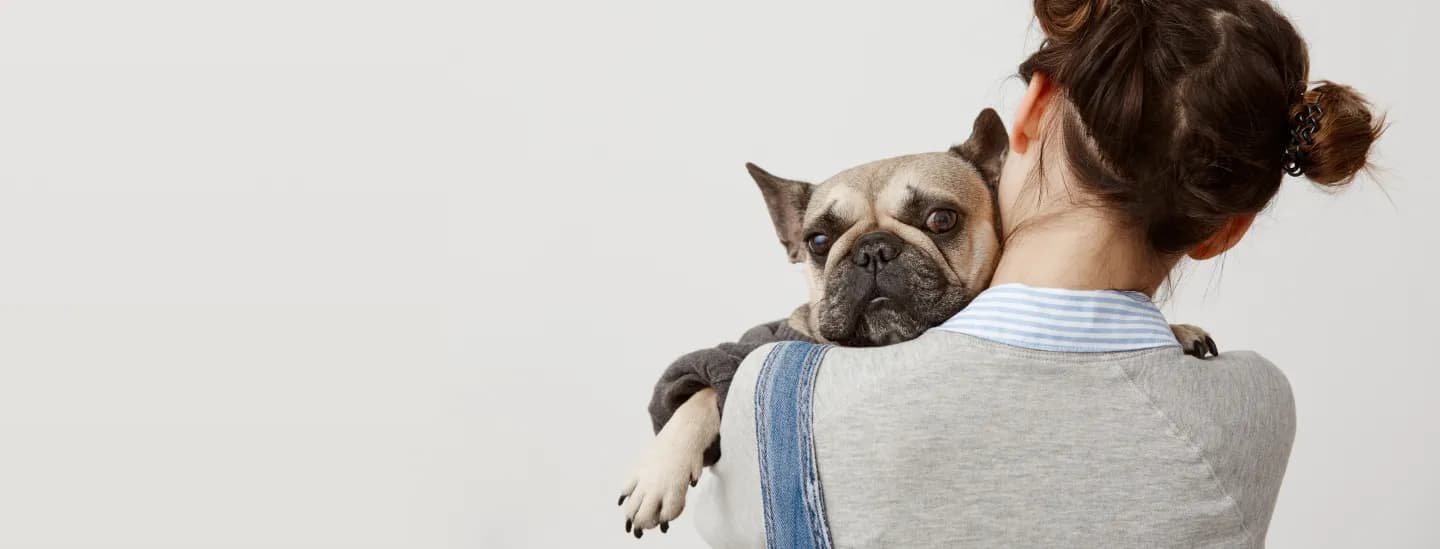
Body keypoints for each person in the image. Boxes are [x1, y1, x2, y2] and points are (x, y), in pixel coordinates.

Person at [690, 0, 1383, 546]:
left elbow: (725, 518)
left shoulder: (781, 396)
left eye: (935, 223)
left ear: (1032, 109)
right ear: (1224, 230)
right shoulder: (1254, 406)